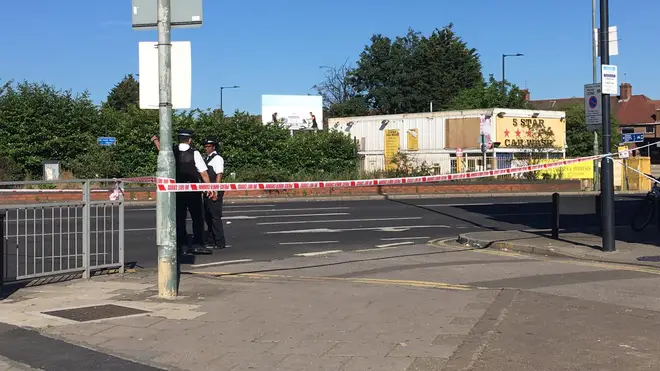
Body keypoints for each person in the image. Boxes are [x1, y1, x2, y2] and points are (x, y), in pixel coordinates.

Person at [151, 129, 215, 255]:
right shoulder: (194, 153)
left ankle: (183, 245)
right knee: (197, 218)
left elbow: (161, 153)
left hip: (177, 191)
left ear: (179, 139)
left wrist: (156, 142)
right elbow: (203, 173)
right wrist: (209, 188)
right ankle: (197, 244)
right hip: (193, 191)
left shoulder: (172, 151)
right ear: (190, 140)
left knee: (180, 219)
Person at [202, 138, 226, 249]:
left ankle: (219, 241)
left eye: (209, 146)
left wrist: (215, 189)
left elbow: (219, 174)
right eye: (206, 146)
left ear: (213, 147)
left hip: (214, 190)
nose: (207, 148)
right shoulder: (206, 158)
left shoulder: (217, 158)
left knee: (215, 216)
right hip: (208, 190)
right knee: (208, 216)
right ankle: (211, 239)